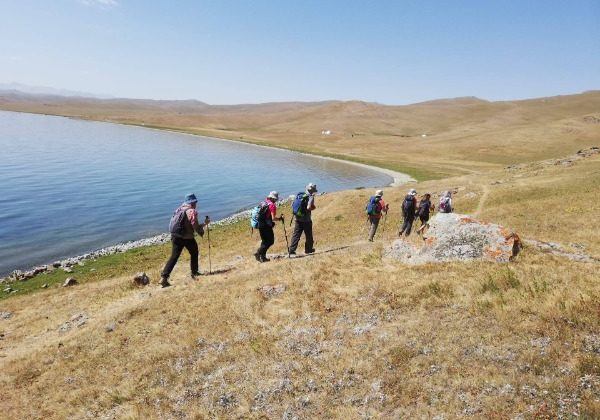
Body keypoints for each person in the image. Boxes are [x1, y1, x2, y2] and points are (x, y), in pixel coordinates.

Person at [160, 193, 209, 287]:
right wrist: (204, 225)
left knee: (174, 257)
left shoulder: (180, 209)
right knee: (194, 252)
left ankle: (164, 277)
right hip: (186, 237)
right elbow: (195, 227)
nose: (196, 204)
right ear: (193, 202)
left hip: (175, 236)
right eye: (195, 202)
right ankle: (194, 272)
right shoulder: (191, 211)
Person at [288, 183, 318, 255]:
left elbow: (292, 205)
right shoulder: (310, 197)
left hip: (298, 219)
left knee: (296, 235)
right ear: (313, 190)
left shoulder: (300, 195)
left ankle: (291, 250)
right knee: (309, 235)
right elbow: (308, 207)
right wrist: (313, 208)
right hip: (306, 220)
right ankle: (308, 250)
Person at [254, 191, 283, 262]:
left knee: (264, 241)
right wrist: (279, 218)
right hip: (266, 226)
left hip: (260, 224)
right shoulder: (272, 205)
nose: (276, 200)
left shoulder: (264, 202)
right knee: (270, 241)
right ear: (274, 198)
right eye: (276, 199)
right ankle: (258, 253)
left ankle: (263, 258)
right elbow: (273, 218)